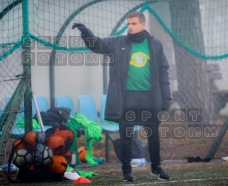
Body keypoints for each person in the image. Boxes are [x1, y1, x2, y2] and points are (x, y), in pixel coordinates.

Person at [72, 11, 172, 182]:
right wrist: (85, 32)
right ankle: (127, 172)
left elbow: (164, 72)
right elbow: (97, 45)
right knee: (126, 135)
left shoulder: (155, 44)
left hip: (149, 99)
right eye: (128, 24)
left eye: (133, 24)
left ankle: (156, 168)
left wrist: (166, 98)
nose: (130, 27)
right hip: (127, 99)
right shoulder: (118, 42)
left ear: (142, 25)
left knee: (153, 135)